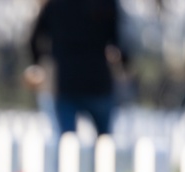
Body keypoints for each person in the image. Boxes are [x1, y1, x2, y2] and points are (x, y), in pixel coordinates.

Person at [26, 0, 129, 137]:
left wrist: (38, 63)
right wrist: (126, 65)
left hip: (66, 82)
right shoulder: (107, 3)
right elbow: (118, 42)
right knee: (105, 143)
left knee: (67, 144)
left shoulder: (54, 4)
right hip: (98, 82)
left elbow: (34, 40)